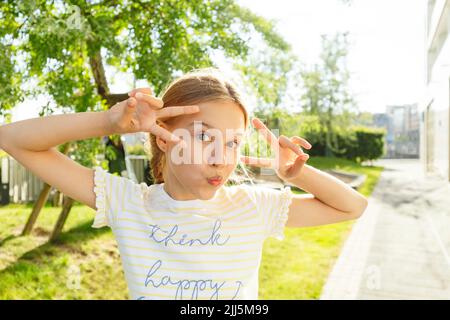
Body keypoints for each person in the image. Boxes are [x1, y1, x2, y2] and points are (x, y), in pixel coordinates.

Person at [0, 68, 368, 300]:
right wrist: (110, 123)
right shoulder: (128, 203)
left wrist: (296, 174)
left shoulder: (252, 206)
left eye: (233, 142)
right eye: (203, 137)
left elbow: (353, 206)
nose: (220, 157)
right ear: (162, 138)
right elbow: (14, 139)